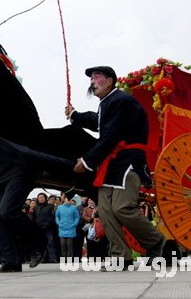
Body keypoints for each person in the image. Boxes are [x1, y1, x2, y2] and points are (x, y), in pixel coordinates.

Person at [66, 65, 165, 268]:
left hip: (128, 161)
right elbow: (99, 122)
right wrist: (75, 115)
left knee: (121, 207)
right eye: (91, 78)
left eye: (96, 77)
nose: (92, 82)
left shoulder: (119, 100)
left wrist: (86, 160)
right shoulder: (109, 102)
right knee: (106, 211)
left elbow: (110, 135)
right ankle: (121, 257)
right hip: (110, 164)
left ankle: (156, 241)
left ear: (110, 80)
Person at [55, 192, 80, 260]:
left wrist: (75, 224)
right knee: (63, 244)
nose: (67, 200)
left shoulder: (74, 208)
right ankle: (64, 258)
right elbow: (57, 216)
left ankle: (69, 258)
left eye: (68, 199)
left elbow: (77, 217)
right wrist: (58, 223)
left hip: (71, 228)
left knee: (70, 245)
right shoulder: (59, 207)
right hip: (62, 228)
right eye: (65, 199)